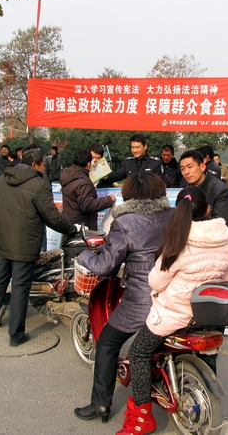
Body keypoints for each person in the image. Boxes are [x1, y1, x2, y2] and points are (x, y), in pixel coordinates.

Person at [118, 186, 228, 434]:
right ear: (209, 209)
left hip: (176, 316)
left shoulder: (178, 241)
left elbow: (156, 282)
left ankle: (142, 417)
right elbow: (226, 278)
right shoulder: (226, 240)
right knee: (208, 353)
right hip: (209, 315)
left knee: (138, 352)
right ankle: (204, 390)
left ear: (178, 210)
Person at [73, 172, 174, 423]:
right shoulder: (173, 215)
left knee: (107, 342)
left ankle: (100, 404)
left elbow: (106, 266)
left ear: (128, 194)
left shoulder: (125, 222)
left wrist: (84, 254)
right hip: (174, 294)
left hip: (143, 299)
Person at [0, 148, 78, 347]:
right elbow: (52, 217)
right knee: (20, 286)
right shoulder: (39, 185)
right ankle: (16, 334)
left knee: (2, 276)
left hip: (4, 238)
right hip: (24, 243)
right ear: (35, 164)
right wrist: (72, 229)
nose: (44, 168)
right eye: (43, 164)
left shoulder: (2, 179)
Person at [179, 149, 228, 236]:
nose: (186, 172)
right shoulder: (187, 189)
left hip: (215, 241)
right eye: (182, 169)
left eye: (190, 167)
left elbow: (220, 225)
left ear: (202, 167)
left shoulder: (220, 190)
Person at [60, 150, 116, 230]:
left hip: (70, 224)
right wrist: (109, 200)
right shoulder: (83, 183)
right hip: (82, 227)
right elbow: (88, 205)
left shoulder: (68, 176)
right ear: (89, 164)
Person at [98, 134, 162, 187]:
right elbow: (116, 175)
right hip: (131, 196)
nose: (134, 150)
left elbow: (159, 183)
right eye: (132, 147)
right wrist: (106, 176)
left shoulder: (155, 163)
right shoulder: (128, 163)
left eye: (137, 147)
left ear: (145, 146)